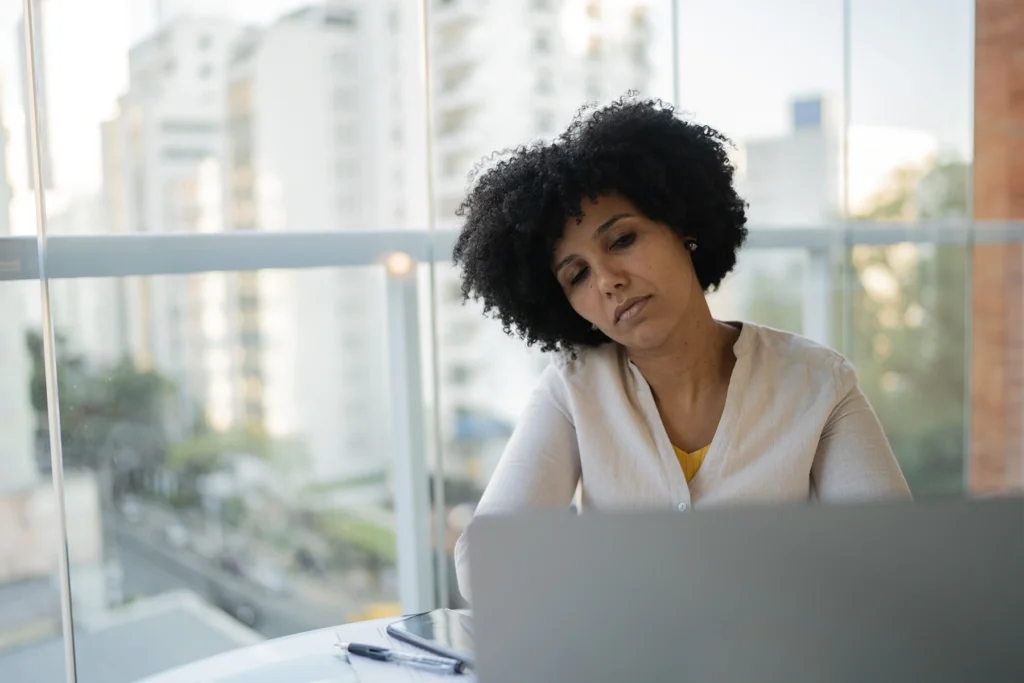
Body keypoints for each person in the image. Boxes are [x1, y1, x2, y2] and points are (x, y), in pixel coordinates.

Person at [450, 98, 911, 600]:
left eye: (622, 239)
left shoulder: (818, 383)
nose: (607, 280)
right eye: (577, 274)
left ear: (683, 227)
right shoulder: (572, 391)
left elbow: (893, 558)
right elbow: (485, 566)